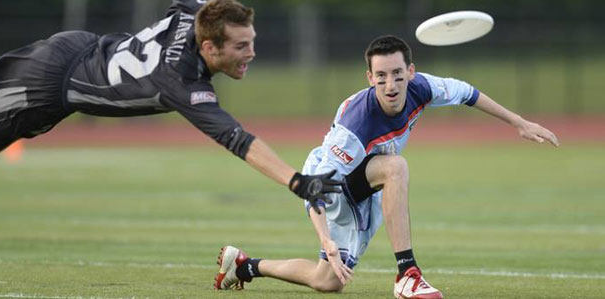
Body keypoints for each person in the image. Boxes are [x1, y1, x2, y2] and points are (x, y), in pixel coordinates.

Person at [0, 0, 342, 232]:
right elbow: (239, 141)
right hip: (53, 80)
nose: (252, 53)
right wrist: (297, 181)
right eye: (241, 46)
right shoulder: (183, 83)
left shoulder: (198, 13)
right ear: (209, 48)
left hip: (76, 61)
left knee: (11, 128)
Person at [214, 35, 559, 298]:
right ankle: (407, 275)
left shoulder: (422, 87)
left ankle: (245, 266)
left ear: (410, 71)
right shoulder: (355, 126)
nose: (390, 85)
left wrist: (519, 122)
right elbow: (312, 188)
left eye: (397, 74)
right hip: (332, 186)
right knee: (396, 168)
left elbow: (467, 92)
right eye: (381, 76)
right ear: (369, 77)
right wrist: (325, 239)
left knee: (327, 281)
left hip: (365, 180)